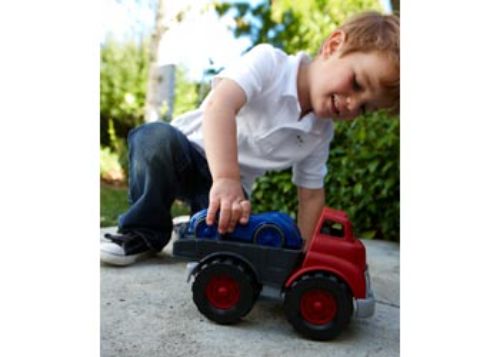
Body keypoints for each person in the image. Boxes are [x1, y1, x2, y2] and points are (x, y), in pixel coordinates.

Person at [101, 11, 400, 266]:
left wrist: (305, 255)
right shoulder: (270, 63)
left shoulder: (320, 132)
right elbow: (221, 106)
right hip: (186, 152)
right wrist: (227, 178)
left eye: (364, 108)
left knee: (231, 248)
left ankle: (192, 230)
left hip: (228, 191)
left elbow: (310, 195)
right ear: (334, 45)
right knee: (153, 139)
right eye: (357, 83)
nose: (352, 104)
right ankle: (143, 232)